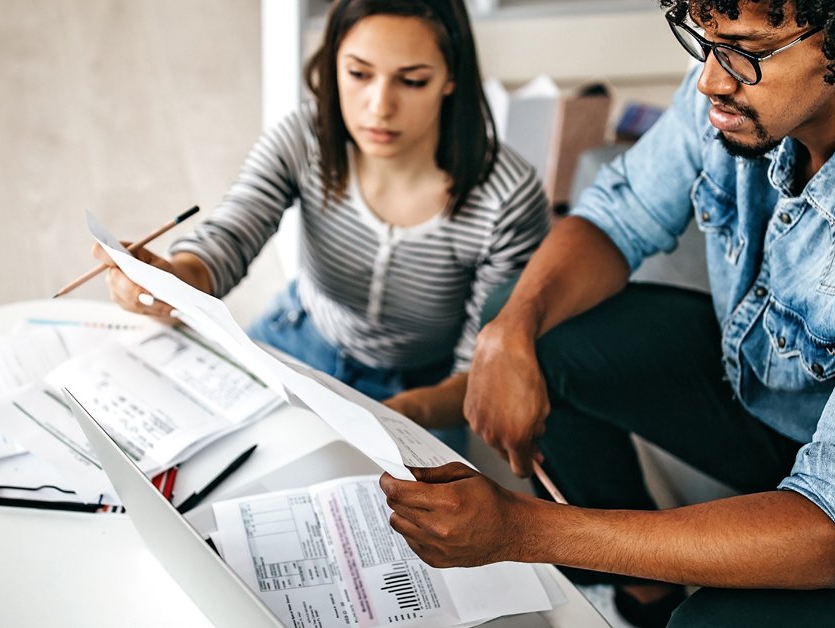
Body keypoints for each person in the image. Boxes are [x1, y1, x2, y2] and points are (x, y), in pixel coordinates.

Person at [380, 0, 835, 625]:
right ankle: (638, 601)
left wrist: (522, 530)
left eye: (745, 52)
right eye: (702, 38)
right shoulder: (737, 80)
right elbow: (616, 214)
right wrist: (507, 332)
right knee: (533, 317)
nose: (709, 76)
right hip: (777, 398)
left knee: (707, 625)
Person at [94, 0, 549, 452]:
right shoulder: (305, 137)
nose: (379, 106)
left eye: (412, 81)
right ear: (332, 65)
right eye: (358, 73)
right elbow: (230, 236)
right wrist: (172, 280)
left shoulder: (506, 197)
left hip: (427, 389)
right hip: (301, 337)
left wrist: (401, 414)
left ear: (451, 78)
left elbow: (483, 366)